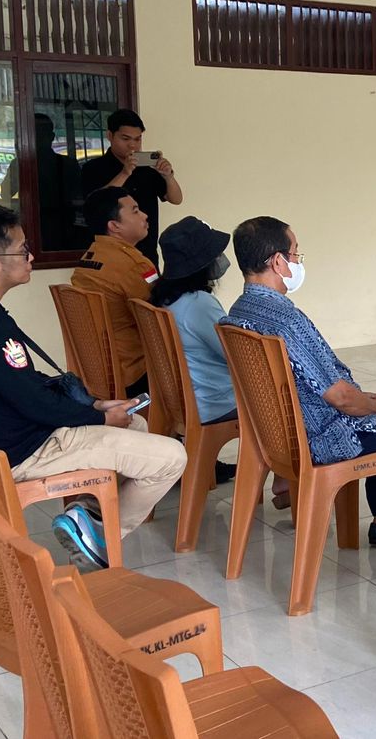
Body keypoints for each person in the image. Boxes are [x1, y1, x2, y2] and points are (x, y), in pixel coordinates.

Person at [0, 204, 186, 571]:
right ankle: (99, 535)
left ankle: (87, 515)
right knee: (173, 457)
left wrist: (94, 406)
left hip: (0, 433)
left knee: (137, 424)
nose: (31, 257)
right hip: (24, 448)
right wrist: (97, 417)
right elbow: (31, 401)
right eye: (22, 250)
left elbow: (18, 384)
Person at [219, 217, 376, 547]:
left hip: (277, 433)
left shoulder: (239, 311)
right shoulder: (285, 320)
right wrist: (371, 404)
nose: (297, 261)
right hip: (320, 435)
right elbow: (340, 398)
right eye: (295, 253)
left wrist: (368, 402)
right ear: (277, 262)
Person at [151, 216, 244, 487]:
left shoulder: (164, 298)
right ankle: (283, 479)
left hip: (183, 399)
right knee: (287, 400)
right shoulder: (199, 303)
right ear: (201, 263)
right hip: (214, 401)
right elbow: (234, 354)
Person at [71, 187, 156, 397]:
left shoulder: (88, 259)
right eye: (135, 211)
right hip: (134, 371)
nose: (145, 215)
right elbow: (158, 317)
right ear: (114, 226)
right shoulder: (135, 265)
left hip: (96, 369)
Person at [80, 109, 182, 266]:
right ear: (110, 136)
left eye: (137, 139)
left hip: (147, 252)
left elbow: (176, 199)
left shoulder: (148, 169)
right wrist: (125, 173)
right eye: (125, 138)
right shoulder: (93, 168)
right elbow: (95, 205)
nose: (132, 145)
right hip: (111, 254)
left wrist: (168, 176)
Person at [2, 113, 87, 251]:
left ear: (51, 136)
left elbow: (78, 198)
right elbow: (6, 193)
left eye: (41, 134)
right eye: (36, 134)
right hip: (31, 226)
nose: (37, 139)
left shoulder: (68, 164)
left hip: (62, 228)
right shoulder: (19, 164)